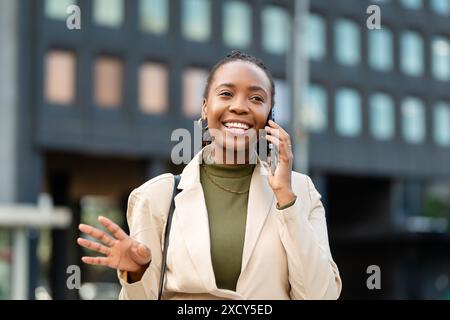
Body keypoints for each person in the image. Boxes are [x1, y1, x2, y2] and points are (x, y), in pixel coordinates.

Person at [77, 50, 342, 300]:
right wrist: (136, 274)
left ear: (269, 115)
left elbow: (321, 295)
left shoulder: (300, 191)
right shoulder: (157, 196)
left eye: (257, 98)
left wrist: (286, 200)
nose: (239, 107)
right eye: (226, 94)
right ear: (205, 108)